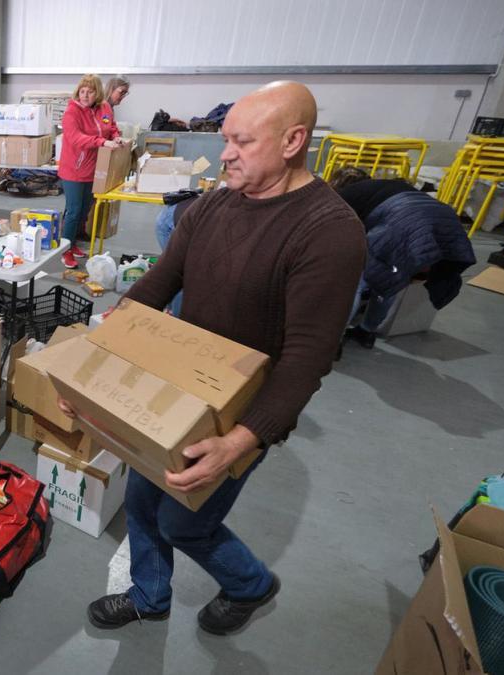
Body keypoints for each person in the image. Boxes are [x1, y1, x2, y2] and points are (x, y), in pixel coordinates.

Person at [65, 82, 366, 635]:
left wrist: (239, 441)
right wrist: (99, 347)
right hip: (177, 383)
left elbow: (307, 357)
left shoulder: (327, 232)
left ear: (293, 141)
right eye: (226, 139)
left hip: (238, 409)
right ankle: (149, 596)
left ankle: (250, 585)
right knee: (140, 494)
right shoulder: (216, 203)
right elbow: (162, 279)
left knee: (185, 521)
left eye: (242, 142)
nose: (224, 153)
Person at [328, 167, 476, 348]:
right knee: (388, 281)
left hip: (403, 223)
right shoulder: (385, 186)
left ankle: (333, 341)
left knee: (356, 283)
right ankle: (367, 331)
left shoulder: (345, 196)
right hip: (447, 223)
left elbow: (334, 236)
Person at [57, 74, 128, 269]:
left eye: (90, 92)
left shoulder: (104, 108)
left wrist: (116, 136)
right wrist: (102, 142)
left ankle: (74, 243)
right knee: (73, 210)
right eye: (82, 92)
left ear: (98, 93)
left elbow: (110, 126)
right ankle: (65, 250)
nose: (85, 96)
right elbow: (75, 138)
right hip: (74, 170)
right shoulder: (72, 111)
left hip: (94, 169)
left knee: (85, 209)